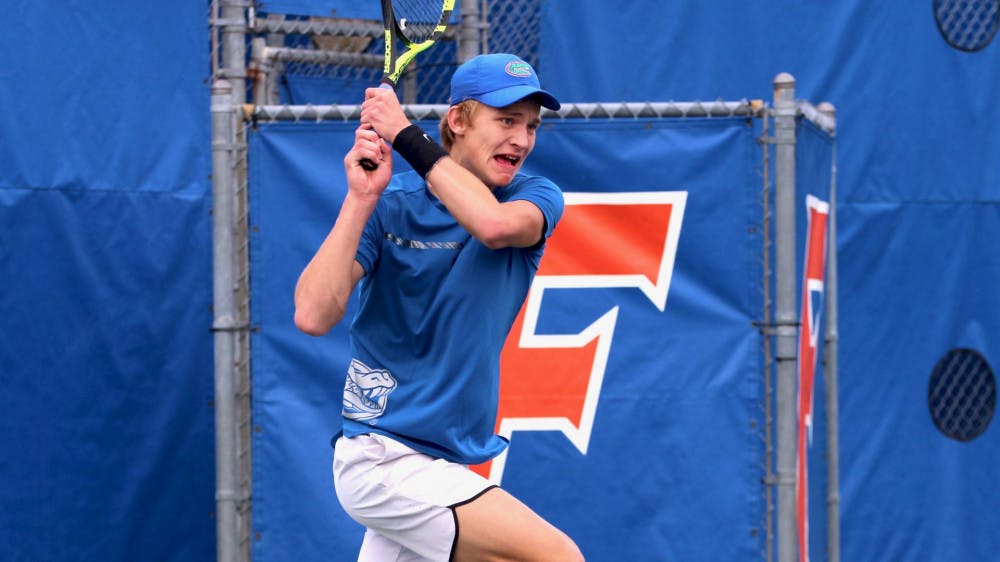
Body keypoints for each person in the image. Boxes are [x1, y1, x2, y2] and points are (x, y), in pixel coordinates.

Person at [294, 53, 584, 562]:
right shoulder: (390, 204)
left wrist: (404, 135)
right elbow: (313, 314)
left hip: (439, 463)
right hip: (383, 460)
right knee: (557, 557)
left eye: (531, 126)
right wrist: (361, 198)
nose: (521, 138)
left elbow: (492, 227)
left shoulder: (535, 197)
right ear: (458, 120)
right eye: (506, 120)